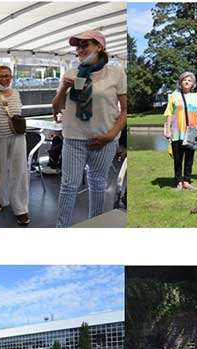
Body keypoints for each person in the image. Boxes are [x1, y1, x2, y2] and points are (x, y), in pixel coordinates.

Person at [52, 30, 127, 227]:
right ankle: (62, 229)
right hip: (73, 137)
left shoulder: (116, 72)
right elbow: (56, 107)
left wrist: (111, 135)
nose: (80, 49)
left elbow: (125, 110)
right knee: (68, 186)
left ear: (100, 47)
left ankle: (96, 226)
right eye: (78, 46)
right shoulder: (71, 73)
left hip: (104, 137)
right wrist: (63, 88)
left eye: (85, 45)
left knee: (97, 183)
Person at [0, 65, 30, 225]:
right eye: (1, 76)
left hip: (17, 136)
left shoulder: (16, 93)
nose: (4, 79)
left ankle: (20, 208)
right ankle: (1, 199)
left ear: (11, 78)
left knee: (19, 171)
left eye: (7, 76)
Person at [163, 72, 197, 191]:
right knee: (178, 158)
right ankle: (178, 181)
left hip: (192, 132)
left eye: (189, 80)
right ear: (180, 83)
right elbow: (169, 114)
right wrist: (168, 130)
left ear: (193, 84)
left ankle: (186, 180)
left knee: (189, 158)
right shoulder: (174, 96)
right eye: (184, 80)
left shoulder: (196, 97)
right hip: (177, 132)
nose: (187, 82)